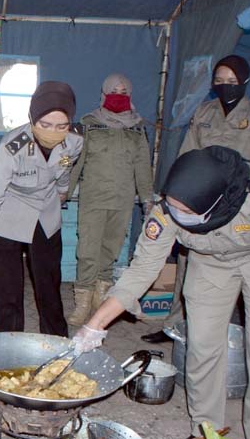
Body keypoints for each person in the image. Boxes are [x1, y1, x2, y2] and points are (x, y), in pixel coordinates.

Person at [73, 146, 250, 439]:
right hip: (209, 264)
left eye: (188, 211)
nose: (178, 214)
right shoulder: (166, 211)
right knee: (203, 347)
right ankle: (207, 429)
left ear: (217, 202)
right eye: (173, 206)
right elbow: (141, 270)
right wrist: (94, 325)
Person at [142, 54, 250, 344]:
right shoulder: (203, 112)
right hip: (200, 199)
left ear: (244, 82)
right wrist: (171, 194)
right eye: (219, 81)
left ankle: (214, 329)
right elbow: (186, 157)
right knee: (187, 260)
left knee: (227, 267)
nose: (225, 86)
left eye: (231, 81)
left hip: (237, 204)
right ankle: (174, 325)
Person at [0, 81, 82, 336]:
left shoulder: (74, 142)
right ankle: (8, 347)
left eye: (61, 126)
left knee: (49, 287)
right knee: (8, 290)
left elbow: (65, 169)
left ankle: (56, 345)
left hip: (46, 212)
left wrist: (62, 191)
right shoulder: (12, 146)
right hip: (9, 211)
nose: (53, 132)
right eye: (45, 125)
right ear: (31, 119)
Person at [65, 73, 153, 326]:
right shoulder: (89, 123)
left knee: (110, 251)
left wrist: (147, 199)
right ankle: (82, 302)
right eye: (114, 90)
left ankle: (100, 299)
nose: (119, 95)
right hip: (94, 198)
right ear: (103, 94)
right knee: (87, 251)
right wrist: (64, 191)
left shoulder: (137, 128)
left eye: (124, 92)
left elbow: (142, 166)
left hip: (122, 200)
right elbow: (74, 162)